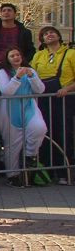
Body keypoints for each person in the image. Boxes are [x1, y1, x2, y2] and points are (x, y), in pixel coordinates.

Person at [0, 47, 47, 187]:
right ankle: (12, 175)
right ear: (7, 59)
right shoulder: (3, 72)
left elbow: (40, 90)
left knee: (39, 128)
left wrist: (31, 76)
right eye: (12, 55)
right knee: (12, 144)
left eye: (18, 54)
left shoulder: (30, 70)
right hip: (9, 111)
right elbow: (6, 91)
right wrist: (17, 77)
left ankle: (30, 155)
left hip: (29, 107)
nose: (16, 57)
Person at [30, 25, 75, 180]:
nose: (49, 35)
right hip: (43, 99)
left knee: (63, 134)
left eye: (52, 32)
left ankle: (65, 172)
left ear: (58, 36)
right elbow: (31, 75)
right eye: (45, 34)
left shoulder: (71, 53)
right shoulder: (38, 55)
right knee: (45, 134)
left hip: (64, 99)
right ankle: (47, 171)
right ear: (41, 39)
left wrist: (67, 89)